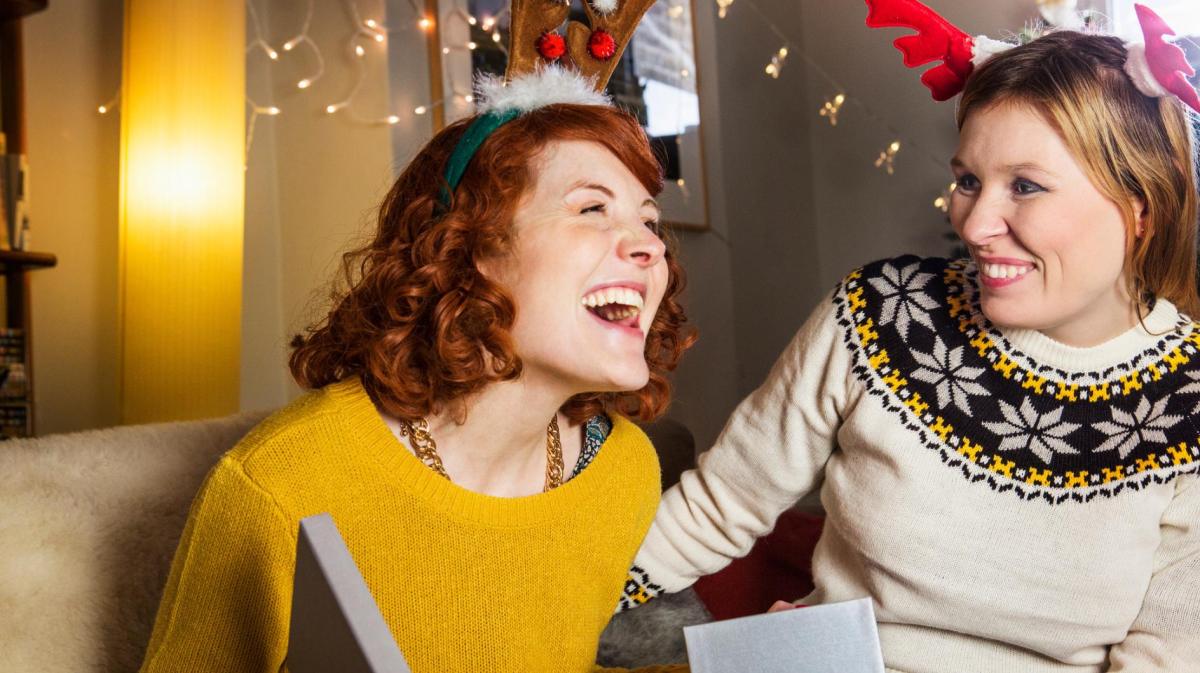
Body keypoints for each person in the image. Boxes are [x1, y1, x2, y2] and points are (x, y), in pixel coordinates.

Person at [622, 7, 1200, 673]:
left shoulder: (1189, 403)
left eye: (1026, 187)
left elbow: (1166, 657)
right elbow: (719, 506)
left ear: (1140, 209)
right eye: (966, 181)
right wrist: (553, 606)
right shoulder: (879, 313)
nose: (977, 222)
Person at [138, 63, 696, 673]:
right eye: (592, 209)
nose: (650, 246)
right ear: (465, 249)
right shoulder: (282, 484)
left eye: (647, 219)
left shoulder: (621, 472)